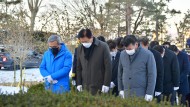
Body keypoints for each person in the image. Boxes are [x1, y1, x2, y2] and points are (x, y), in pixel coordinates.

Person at [118, 35, 156, 101]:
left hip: (141, 93)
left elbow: (152, 75)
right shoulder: (122, 54)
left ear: (136, 44)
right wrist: (121, 89)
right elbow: (120, 73)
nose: (128, 51)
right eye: (126, 49)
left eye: (130, 49)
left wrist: (149, 93)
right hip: (126, 93)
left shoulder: (148, 55)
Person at [76, 28, 112, 95]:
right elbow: (78, 67)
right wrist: (79, 83)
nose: (84, 43)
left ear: (91, 37)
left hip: (99, 86)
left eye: (86, 41)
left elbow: (108, 67)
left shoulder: (103, 47)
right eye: (82, 42)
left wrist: (106, 84)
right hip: (85, 86)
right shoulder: (80, 48)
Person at [140, 37, 164, 102]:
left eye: (141, 46)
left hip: (153, 86)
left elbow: (160, 72)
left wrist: (159, 89)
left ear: (147, 45)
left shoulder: (156, 54)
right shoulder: (138, 54)